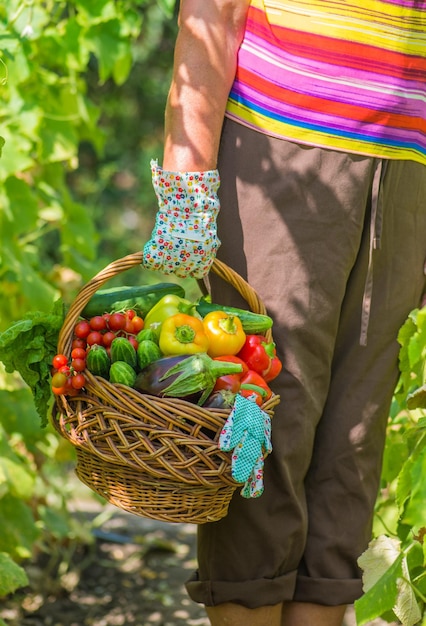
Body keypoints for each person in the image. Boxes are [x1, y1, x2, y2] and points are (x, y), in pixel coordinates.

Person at [142, 1, 426, 625]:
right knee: (266, 420)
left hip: (408, 166)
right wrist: (187, 181)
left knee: (356, 438)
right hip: (283, 143)